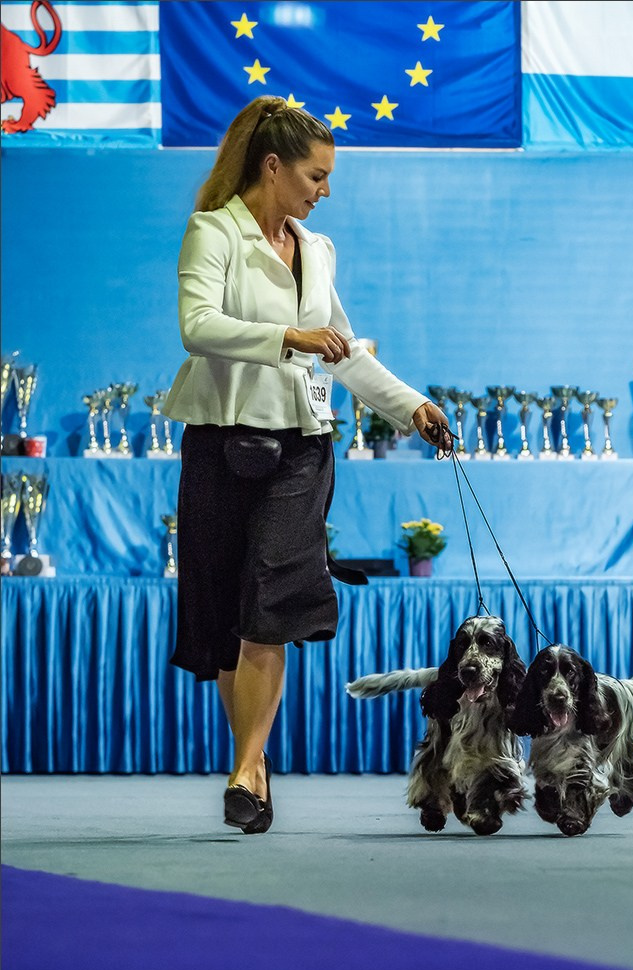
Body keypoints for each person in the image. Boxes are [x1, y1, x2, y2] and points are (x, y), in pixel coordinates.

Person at [162, 96, 450, 835]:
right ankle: (253, 771)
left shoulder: (318, 251)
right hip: (220, 445)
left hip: (300, 448)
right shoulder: (213, 232)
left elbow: (344, 350)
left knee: (271, 606)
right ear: (273, 167)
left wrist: (411, 406)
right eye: (316, 175)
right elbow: (198, 328)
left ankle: (242, 770)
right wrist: (288, 336)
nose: (325, 190)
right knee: (230, 615)